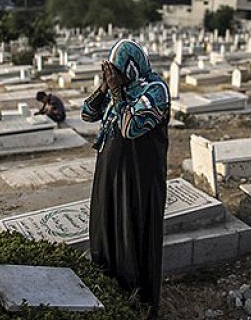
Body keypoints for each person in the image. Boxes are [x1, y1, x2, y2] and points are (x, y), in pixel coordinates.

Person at [81, 39, 170, 319]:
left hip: (138, 180)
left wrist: (118, 93)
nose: (114, 77)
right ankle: (111, 295)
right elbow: (87, 114)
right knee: (106, 228)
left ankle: (137, 303)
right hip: (110, 175)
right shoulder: (118, 89)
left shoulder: (155, 89)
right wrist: (103, 88)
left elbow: (130, 127)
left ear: (132, 68)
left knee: (132, 232)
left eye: (118, 71)